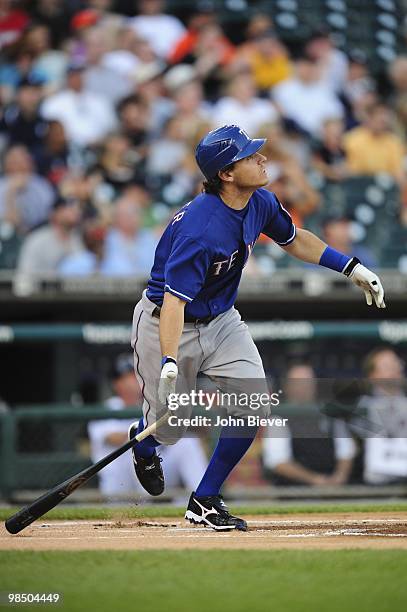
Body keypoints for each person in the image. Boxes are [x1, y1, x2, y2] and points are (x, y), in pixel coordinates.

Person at [127, 124, 385, 532]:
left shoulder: (259, 201)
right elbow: (175, 301)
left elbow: (295, 239)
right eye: (249, 156)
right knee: (171, 427)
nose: (262, 158)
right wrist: (172, 359)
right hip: (167, 322)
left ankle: (205, 499)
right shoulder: (200, 229)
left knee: (252, 406)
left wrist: (350, 266)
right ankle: (144, 441)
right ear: (226, 174)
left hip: (223, 320)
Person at [88, 353, 208, 498]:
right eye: (129, 376)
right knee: (134, 445)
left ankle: (202, 498)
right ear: (117, 384)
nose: (136, 380)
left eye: (137, 374)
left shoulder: (151, 405)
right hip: (121, 483)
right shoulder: (108, 408)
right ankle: (139, 506)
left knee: (187, 443)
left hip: (153, 470)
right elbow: (113, 438)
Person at [262, 363, 356, 486]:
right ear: (287, 386)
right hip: (294, 495)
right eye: (299, 383)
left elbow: (346, 450)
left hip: (334, 491)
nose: (304, 387)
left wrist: (339, 477)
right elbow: (278, 462)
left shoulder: (330, 414)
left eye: (308, 382)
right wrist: (316, 480)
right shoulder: (278, 417)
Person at [16, 196, 83, 278]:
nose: (76, 212)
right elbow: (24, 276)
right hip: (41, 288)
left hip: (69, 289)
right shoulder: (37, 240)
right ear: (55, 213)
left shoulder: (77, 239)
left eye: (77, 209)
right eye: (69, 208)